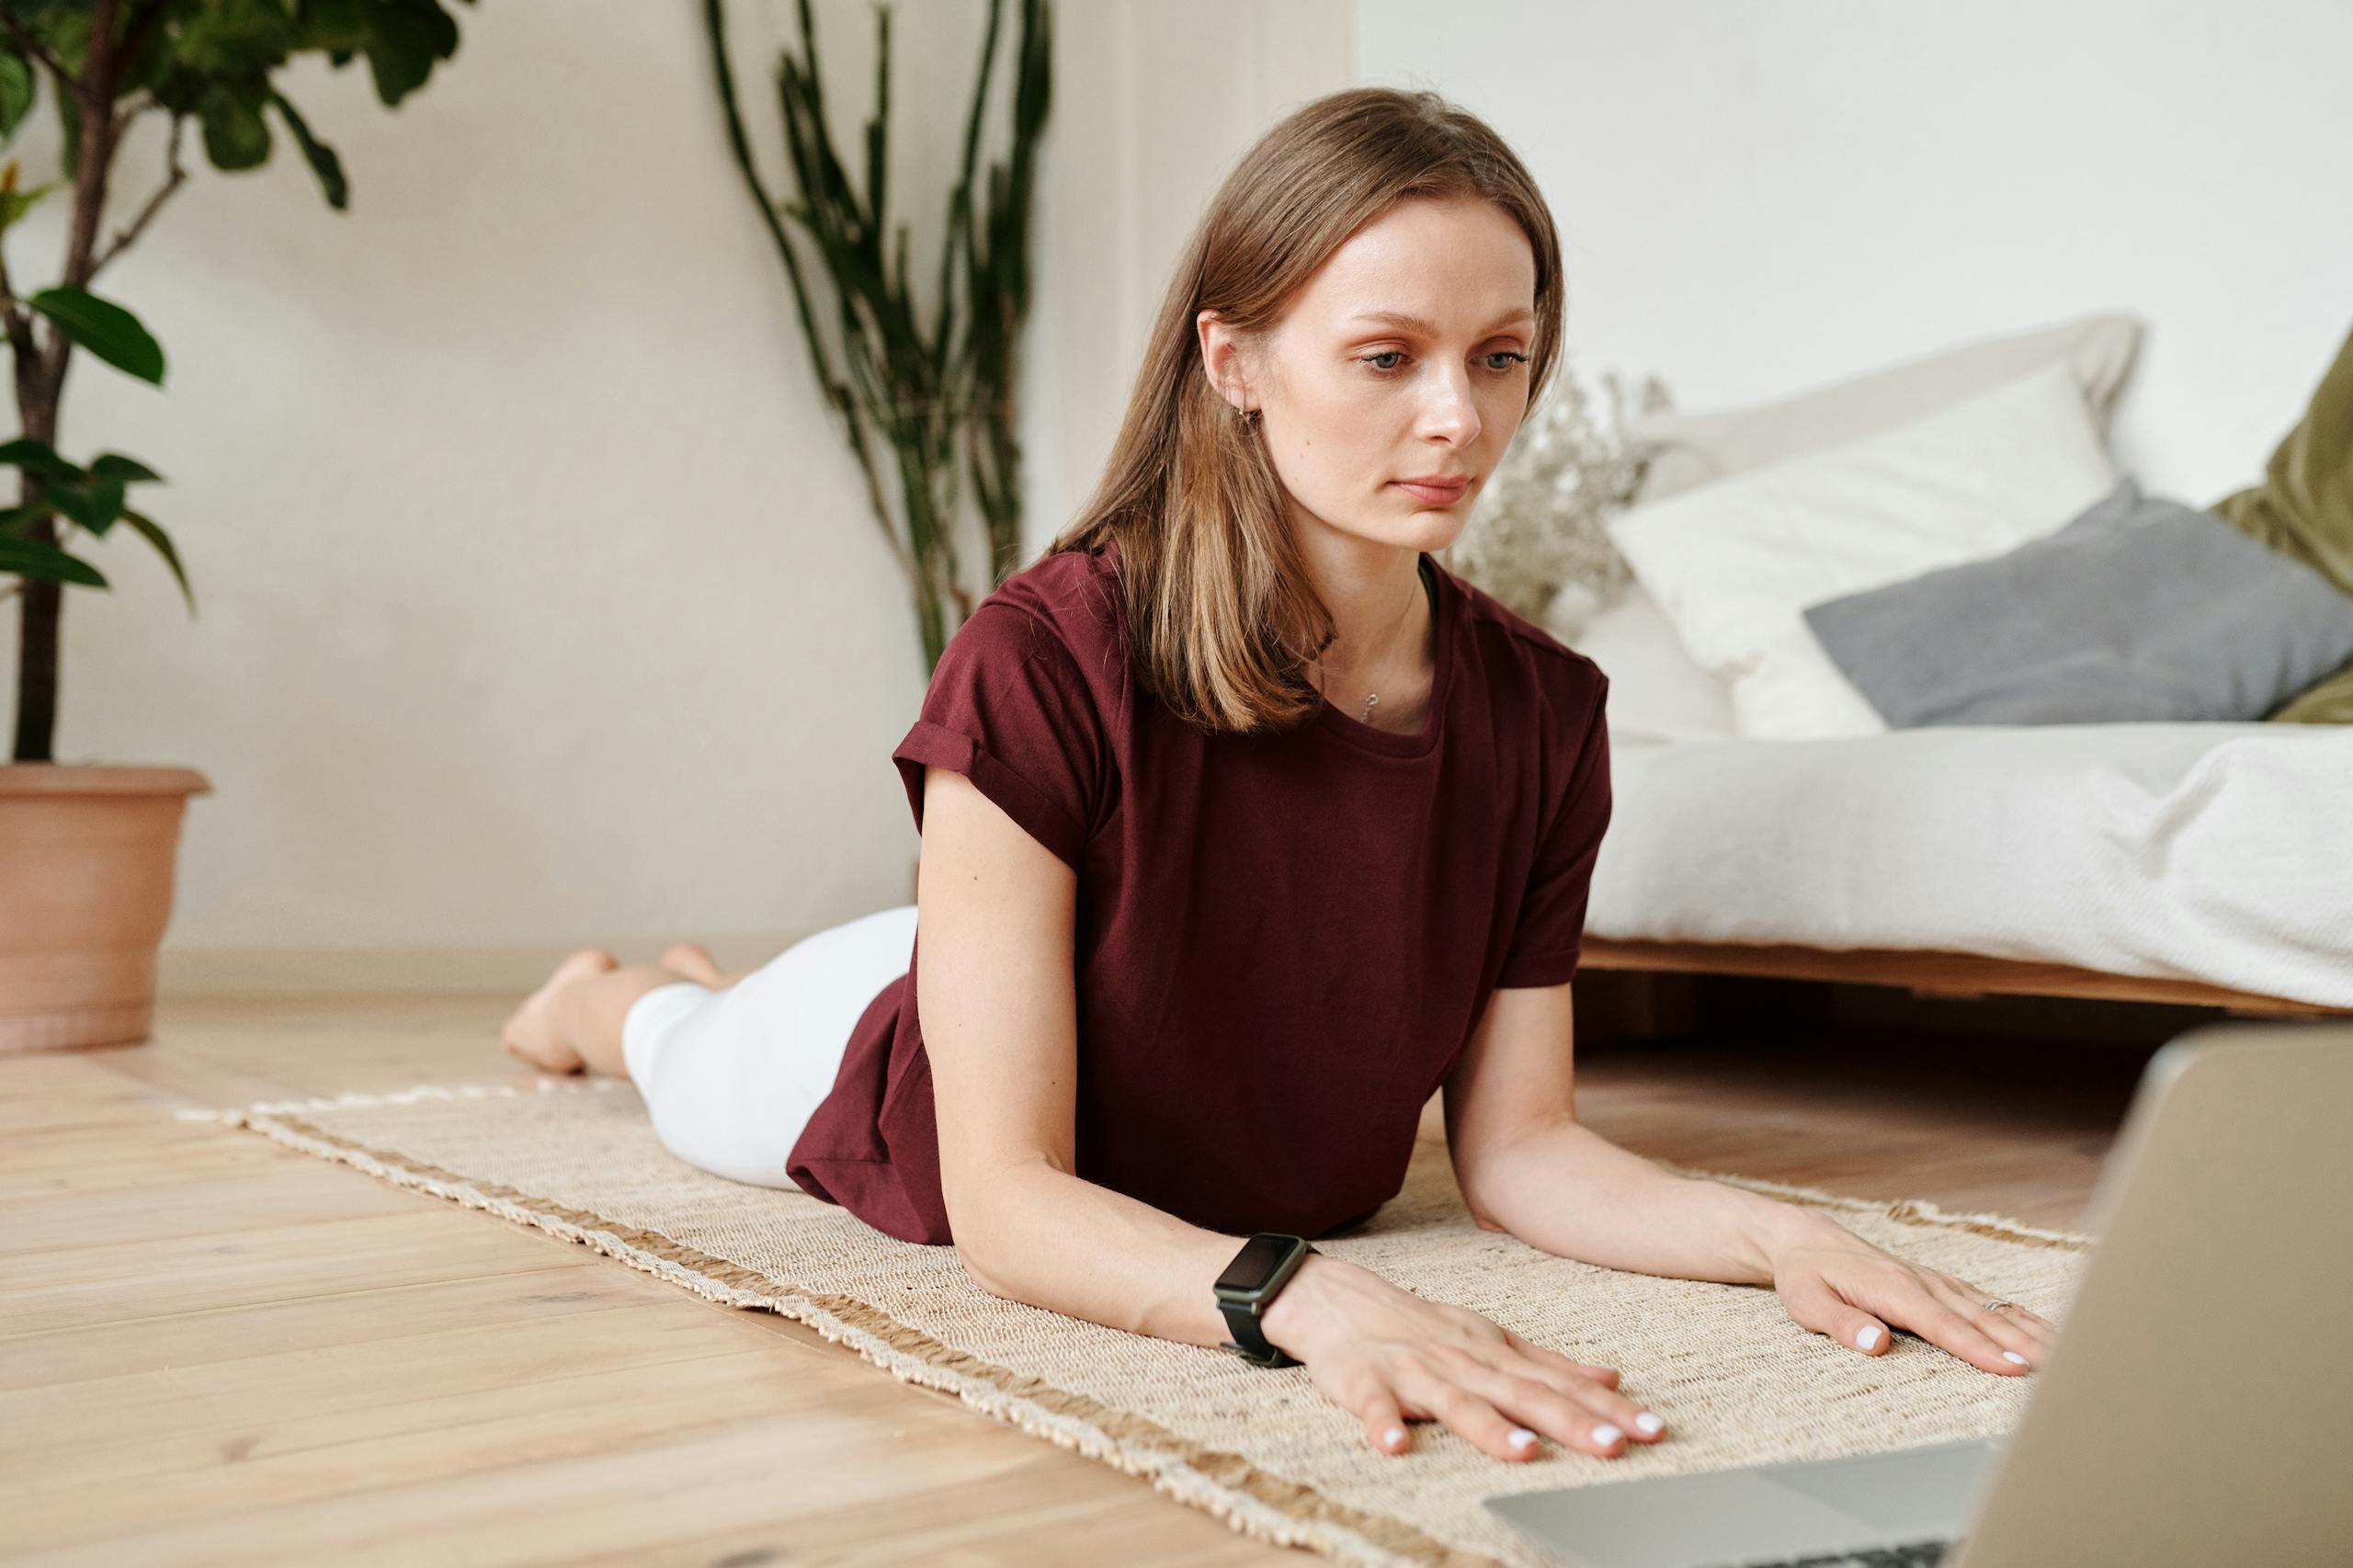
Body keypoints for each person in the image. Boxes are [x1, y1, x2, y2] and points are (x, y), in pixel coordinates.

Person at [498, 86, 2056, 1466]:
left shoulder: (1545, 712)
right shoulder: (1043, 655)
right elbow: (1011, 1197)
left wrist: (1780, 1235)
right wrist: (1304, 1295)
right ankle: (604, 995)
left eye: (1500, 357)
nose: (1458, 417)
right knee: (682, 1047)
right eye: (1386, 356)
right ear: (1233, 360)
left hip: (1056, 972)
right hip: (868, 1045)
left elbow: (1521, 1149)